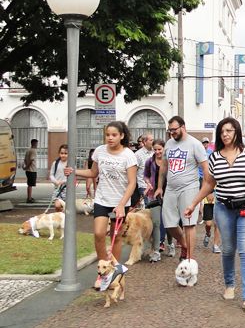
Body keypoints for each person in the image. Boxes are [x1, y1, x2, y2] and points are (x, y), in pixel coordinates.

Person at [184, 117, 245, 314]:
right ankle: (229, 284)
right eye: (222, 131)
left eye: (229, 131)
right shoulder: (214, 157)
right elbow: (208, 184)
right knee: (229, 249)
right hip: (223, 208)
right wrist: (193, 203)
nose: (226, 134)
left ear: (236, 132)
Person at [65, 121, 137, 288]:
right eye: (107, 135)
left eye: (114, 135)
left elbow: (132, 183)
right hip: (102, 200)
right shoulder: (99, 151)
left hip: (120, 202)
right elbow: (93, 172)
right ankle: (103, 269)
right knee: (98, 234)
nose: (110, 138)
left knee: (116, 237)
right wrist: (74, 171)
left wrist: (121, 205)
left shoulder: (128, 155)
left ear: (121, 136)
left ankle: (114, 272)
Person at [155, 116, 210, 261]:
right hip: (171, 189)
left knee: (189, 224)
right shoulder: (169, 144)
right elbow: (164, 166)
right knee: (169, 223)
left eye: (174, 129)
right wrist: (160, 187)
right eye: (170, 130)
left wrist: (207, 189)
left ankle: (190, 260)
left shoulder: (195, 144)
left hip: (189, 188)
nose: (172, 133)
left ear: (183, 127)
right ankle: (184, 243)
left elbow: (205, 169)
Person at [143, 139, 166, 262]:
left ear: (164, 149)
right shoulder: (149, 161)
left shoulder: (169, 161)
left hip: (169, 194)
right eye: (155, 149)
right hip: (153, 195)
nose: (157, 152)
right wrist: (148, 183)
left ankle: (170, 243)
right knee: (156, 222)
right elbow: (145, 175)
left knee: (168, 222)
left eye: (159, 149)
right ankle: (156, 250)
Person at [199, 137, 220, 252]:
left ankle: (216, 245)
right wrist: (209, 192)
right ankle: (207, 233)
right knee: (208, 223)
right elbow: (205, 180)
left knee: (218, 223)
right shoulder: (209, 166)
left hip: (221, 197)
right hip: (210, 197)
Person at [134, 133, 154, 207]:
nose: (153, 142)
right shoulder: (138, 155)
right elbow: (134, 171)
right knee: (148, 208)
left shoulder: (155, 152)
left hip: (155, 186)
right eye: (151, 140)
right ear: (145, 142)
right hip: (144, 186)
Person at [48, 144, 69, 212]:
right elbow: (51, 175)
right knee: (57, 206)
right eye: (62, 153)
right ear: (59, 153)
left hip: (67, 189)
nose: (63, 155)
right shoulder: (55, 163)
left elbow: (73, 176)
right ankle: (59, 217)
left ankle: (62, 218)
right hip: (57, 188)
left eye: (66, 153)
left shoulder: (70, 163)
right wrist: (56, 182)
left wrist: (64, 181)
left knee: (67, 208)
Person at [23, 138, 38, 203]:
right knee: (30, 185)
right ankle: (29, 198)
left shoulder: (28, 150)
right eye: (36, 143)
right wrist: (27, 166)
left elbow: (25, 160)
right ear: (34, 143)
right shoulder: (33, 151)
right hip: (32, 170)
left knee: (29, 184)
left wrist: (26, 167)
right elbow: (31, 160)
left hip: (28, 170)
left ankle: (29, 197)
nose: (37, 145)